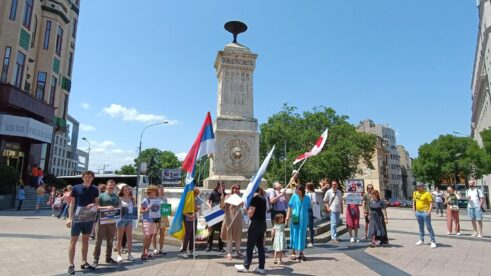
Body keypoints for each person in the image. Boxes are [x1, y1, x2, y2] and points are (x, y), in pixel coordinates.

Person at [66, 171, 99, 275]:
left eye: (89, 177)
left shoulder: (95, 189)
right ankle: (71, 265)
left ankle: (84, 262)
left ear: (93, 178)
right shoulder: (76, 188)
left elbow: (97, 202)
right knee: (73, 240)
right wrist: (69, 218)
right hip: (77, 216)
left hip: (89, 216)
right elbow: (72, 203)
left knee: (86, 240)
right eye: (86, 177)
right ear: (83, 178)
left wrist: (93, 204)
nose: (87, 178)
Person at [235, 187, 267, 274]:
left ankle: (246, 266)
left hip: (255, 224)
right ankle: (261, 267)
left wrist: (246, 209)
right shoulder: (263, 198)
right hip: (263, 224)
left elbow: (251, 213)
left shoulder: (255, 198)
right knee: (260, 246)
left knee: (250, 246)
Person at [92, 179, 120, 267]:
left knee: (110, 241)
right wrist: (106, 207)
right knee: (98, 241)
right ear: (107, 186)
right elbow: (96, 206)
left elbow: (118, 206)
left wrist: (118, 207)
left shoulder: (116, 196)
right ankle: (96, 259)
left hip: (111, 221)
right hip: (101, 221)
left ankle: (108, 258)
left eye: (113, 185)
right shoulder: (101, 195)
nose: (111, 186)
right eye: (110, 185)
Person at [286, 184, 310, 261]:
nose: (297, 192)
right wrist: (287, 216)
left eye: (299, 191)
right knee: (294, 233)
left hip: (304, 218)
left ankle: (301, 252)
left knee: (302, 234)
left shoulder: (307, 198)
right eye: (297, 190)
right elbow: (290, 206)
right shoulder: (294, 196)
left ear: (302, 191)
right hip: (295, 217)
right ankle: (293, 252)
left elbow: (309, 207)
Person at [221, 184, 244, 260]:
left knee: (238, 234)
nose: (236, 190)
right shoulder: (228, 196)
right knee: (229, 235)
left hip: (237, 217)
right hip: (229, 217)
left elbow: (242, 206)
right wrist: (224, 200)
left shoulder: (240, 197)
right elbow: (223, 206)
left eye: (238, 188)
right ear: (232, 189)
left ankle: (238, 250)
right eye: (235, 188)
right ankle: (228, 252)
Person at [116, 184, 135, 262]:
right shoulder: (119, 199)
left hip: (129, 219)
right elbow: (117, 209)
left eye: (128, 190)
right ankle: (119, 255)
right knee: (119, 238)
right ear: (122, 191)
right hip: (121, 219)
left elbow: (134, 208)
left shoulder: (132, 199)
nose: (127, 191)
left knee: (129, 237)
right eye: (125, 190)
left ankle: (129, 254)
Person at [413, 183, 436, 248]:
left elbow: (431, 203)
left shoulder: (427, 194)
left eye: (419, 187)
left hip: (425, 212)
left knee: (428, 226)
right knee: (421, 226)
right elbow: (414, 202)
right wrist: (414, 211)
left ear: (423, 187)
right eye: (417, 187)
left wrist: (429, 212)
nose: (418, 188)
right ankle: (421, 239)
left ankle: (433, 241)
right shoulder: (415, 193)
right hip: (418, 212)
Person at [140, 185, 160, 260]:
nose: (153, 193)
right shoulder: (145, 200)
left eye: (155, 192)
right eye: (152, 192)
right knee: (147, 236)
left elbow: (157, 209)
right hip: (147, 220)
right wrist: (147, 209)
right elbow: (141, 211)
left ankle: (146, 252)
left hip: (154, 220)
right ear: (149, 192)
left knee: (151, 236)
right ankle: (143, 252)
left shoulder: (157, 200)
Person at [181, 188, 201, 258]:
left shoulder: (195, 200)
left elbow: (196, 209)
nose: (197, 196)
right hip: (188, 220)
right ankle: (184, 250)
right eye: (196, 194)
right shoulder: (188, 201)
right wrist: (190, 216)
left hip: (194, 219)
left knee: (193, 235)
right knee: (187, 235)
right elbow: (184, 212)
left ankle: (191, 250)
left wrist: (197, 209)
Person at [206, 182, 225, 252]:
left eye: (224, 186)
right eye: (222, 186)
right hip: (214, 212)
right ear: (219, 186)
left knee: (221, 231)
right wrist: (210, 206)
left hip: (221, 213)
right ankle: (209, 246)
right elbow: (208, 201)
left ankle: (221, 247)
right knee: (211, 231)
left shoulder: (224, 194)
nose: (223, 187)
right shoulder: (213, 193)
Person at [153, 185, 169, 255]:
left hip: (163, 217)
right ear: (157, 190)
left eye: (163, 189)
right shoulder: (154, 199)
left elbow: (166, 208)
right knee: (154, 233)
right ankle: (155, 248)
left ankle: (161, 248)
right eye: (160, 189)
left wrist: (168, 211)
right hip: (156, 217)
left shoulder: (165, 199)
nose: (162, 191)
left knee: (162, 234)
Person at [305, 182, 318, 247]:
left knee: (310, 226)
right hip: (305, 210)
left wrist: (309, 201)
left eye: (306, 186)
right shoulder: (306, 193)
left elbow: (314, 202)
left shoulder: (313, 194)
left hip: (310, 210)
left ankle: (311, 242)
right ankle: (304, 241)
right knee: (305, 226)